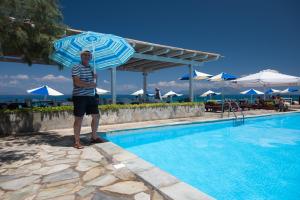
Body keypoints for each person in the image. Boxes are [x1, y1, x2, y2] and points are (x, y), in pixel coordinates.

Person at [72, 50, 105, 149]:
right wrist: (90, 84)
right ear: (81, 56)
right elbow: (77, 82)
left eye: (88, 55)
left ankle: (94, 137)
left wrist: (95, 78)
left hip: (91, 96)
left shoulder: (92, 68)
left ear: (91, 57)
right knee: (79, 119)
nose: (87, 56)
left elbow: (93, 84)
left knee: (96, 116)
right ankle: (77, 141)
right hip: (80, 96)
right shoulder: (76, 67)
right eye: (84, 55)